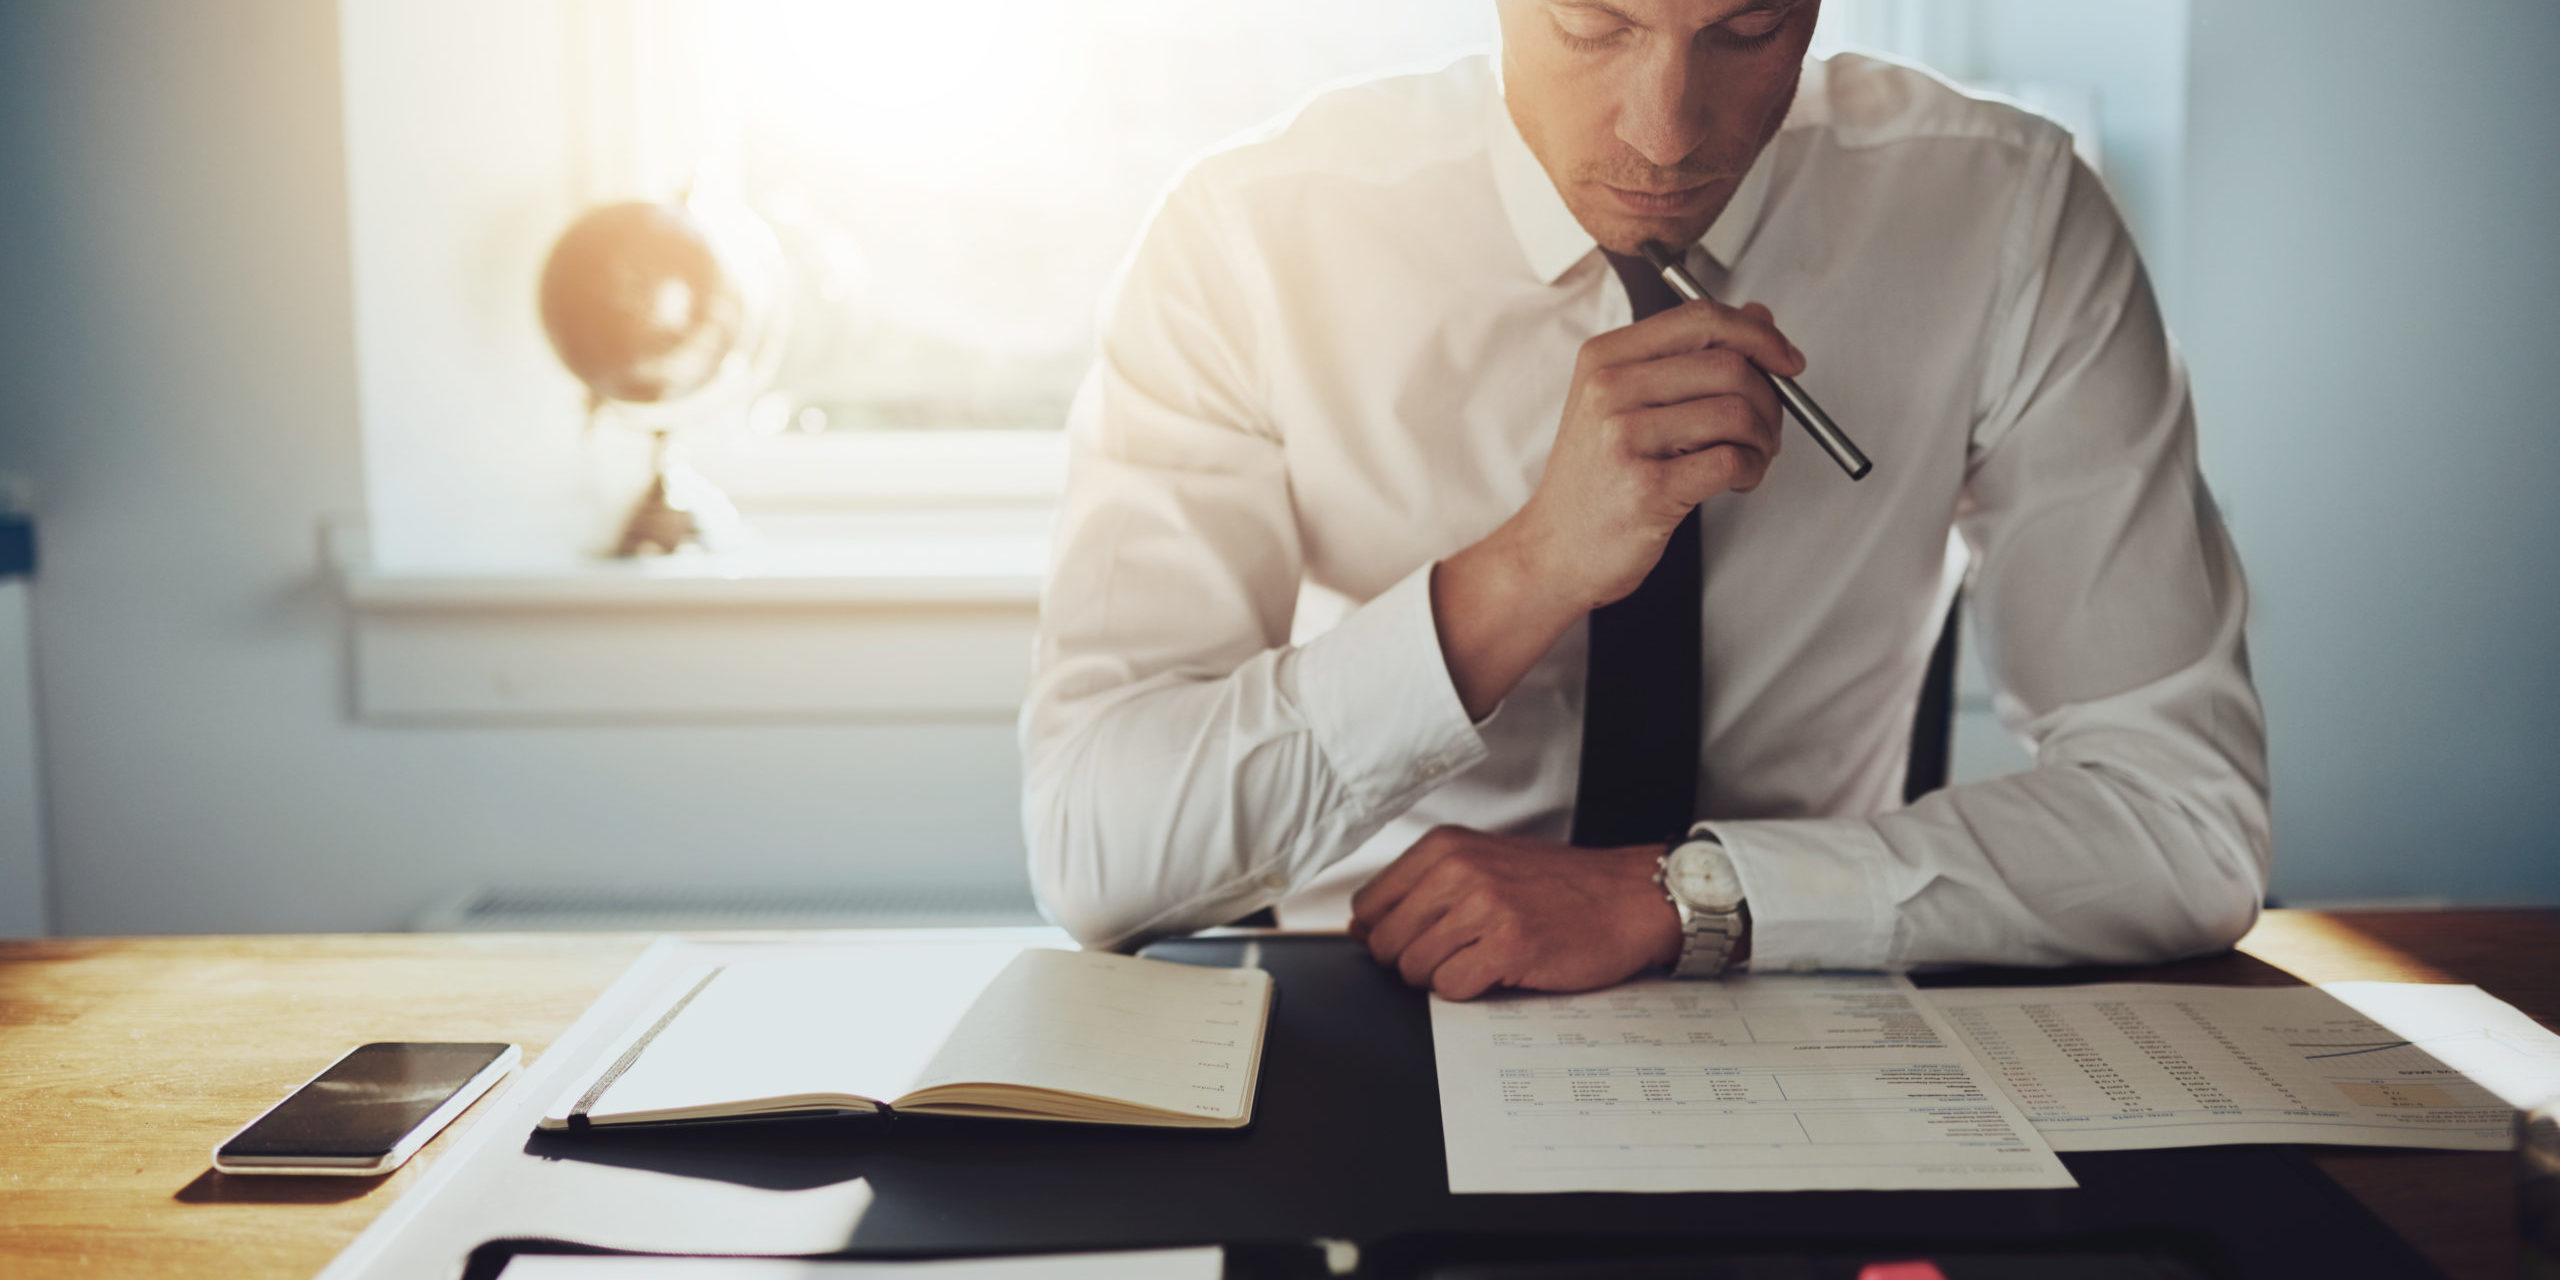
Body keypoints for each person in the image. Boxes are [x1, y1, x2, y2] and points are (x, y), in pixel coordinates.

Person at [1019, 0, 2270, 999]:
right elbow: (1098, 847)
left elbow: (2183, 822)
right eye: (1591, 26)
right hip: (1367, 1003)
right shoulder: (1246, 239)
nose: (1666, 133)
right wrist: (1528, 570)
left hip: (1800, 1006)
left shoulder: (2008, 215)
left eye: (1747, 29)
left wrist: (1687, 895)